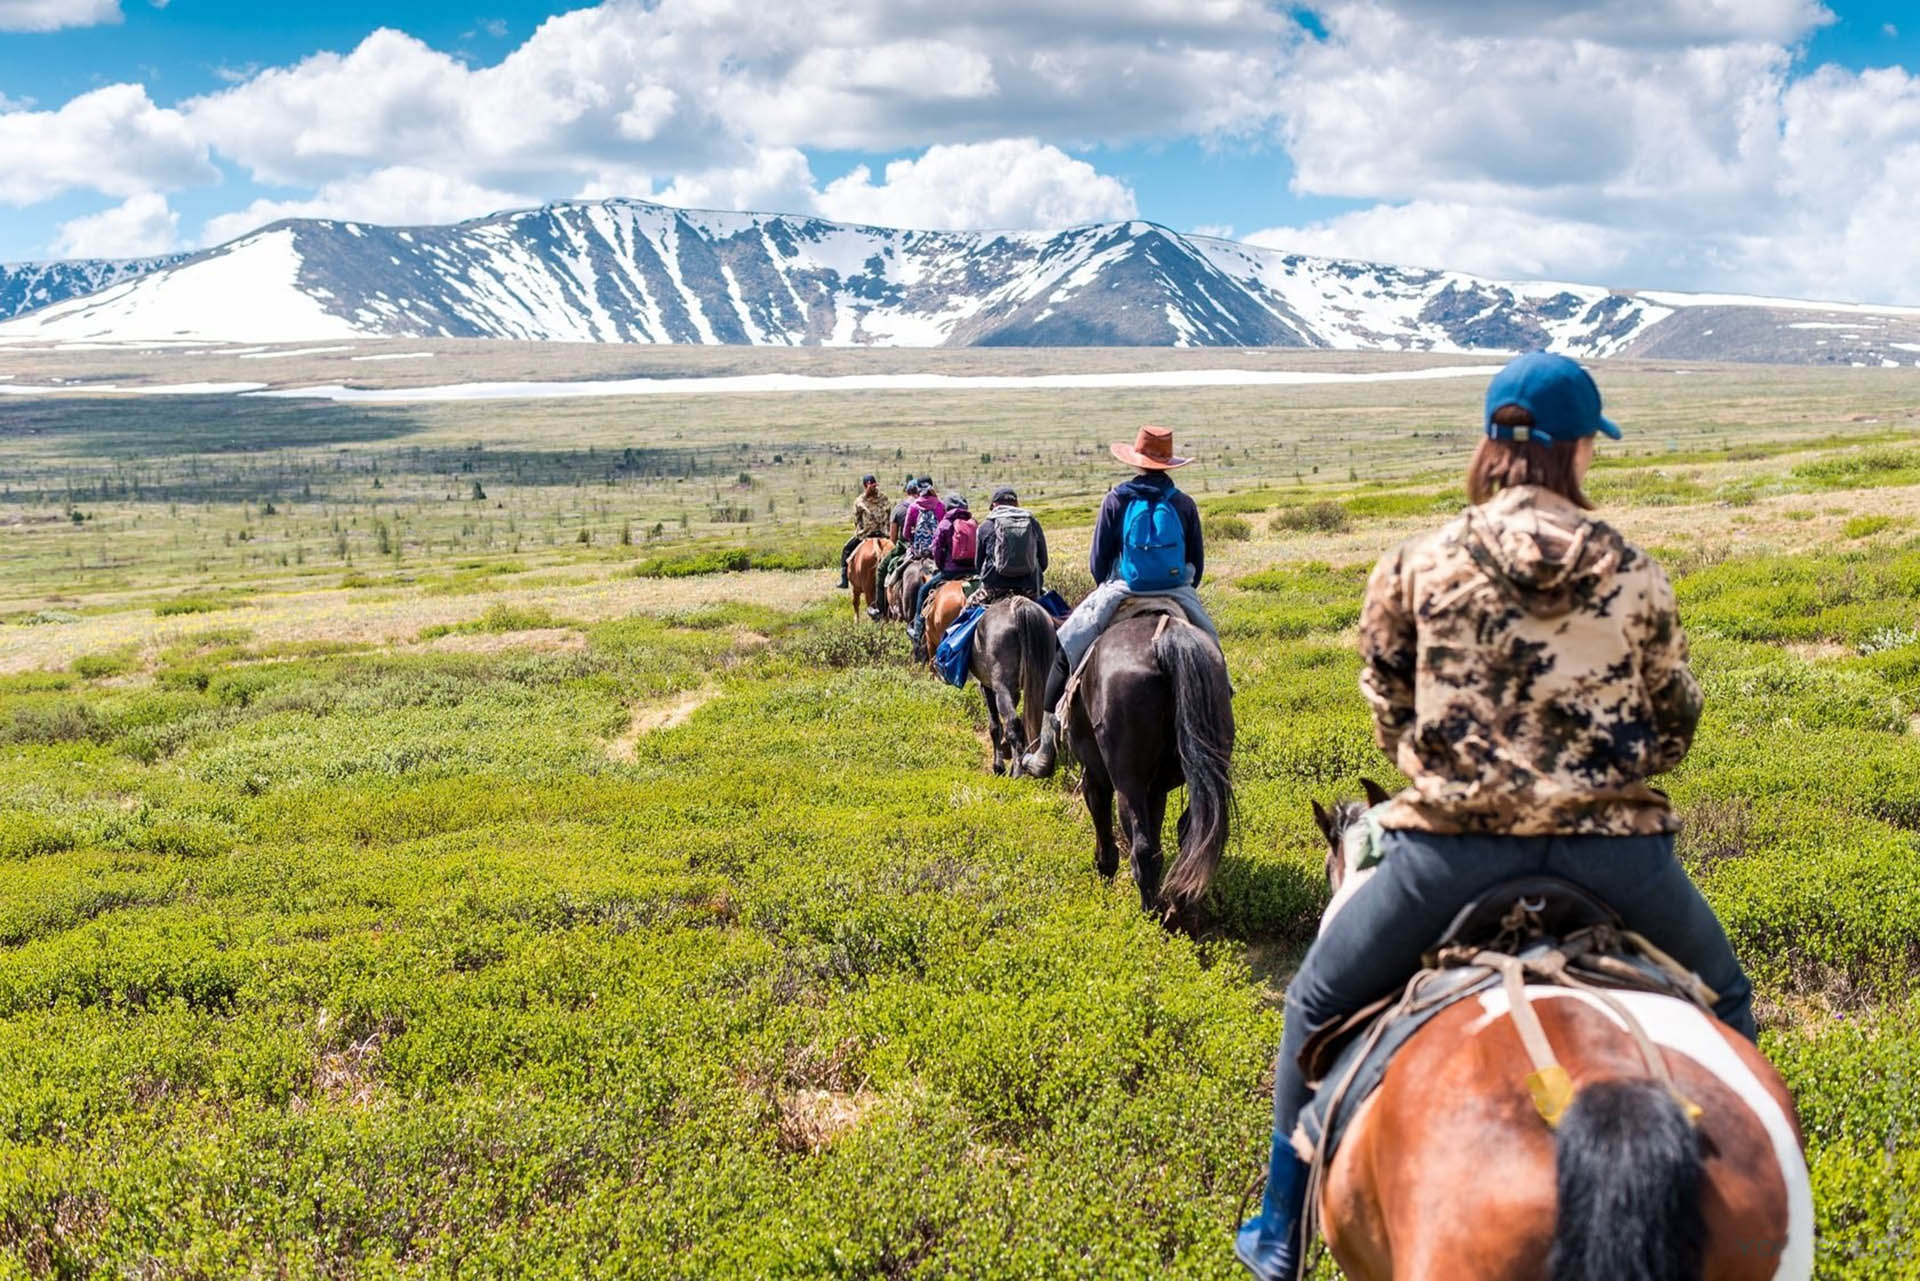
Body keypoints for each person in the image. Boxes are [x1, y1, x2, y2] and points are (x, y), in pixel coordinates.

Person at [1233, 352, 1755, 1281]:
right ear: (1578, 449)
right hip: (1618, 860)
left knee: (1312, 1002)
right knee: (1730, 997)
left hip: (1448, 859)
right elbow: (1672, 718)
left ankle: (1279, 1230)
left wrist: (1436, 768)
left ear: (1492, 444)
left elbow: (1386, 700)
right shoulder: (1635, 571)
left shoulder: (1418, 562)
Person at [1021, 426, 1219, 777]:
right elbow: (1198, 565)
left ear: (1138, 461)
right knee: (1213, 655)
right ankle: (1220, 713)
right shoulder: (1184, 503)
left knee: (1064, 650)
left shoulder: (1117, 499)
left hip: (1123, 590)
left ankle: (1045, 750)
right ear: (1169, 464)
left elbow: (1098, 564)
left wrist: (1113, 585)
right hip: (1177, 591)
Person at [906, 494, 978, 644]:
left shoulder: (945, 524)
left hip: (950, 572)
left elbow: (936, 550)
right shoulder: (973, 523)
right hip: (973, 571)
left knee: (923, 591)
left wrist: (941, 566)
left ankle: (918, 631)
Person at [975, 486, 1048, 601]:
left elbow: (978, 565)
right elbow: (1043, 562)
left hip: (995, 587)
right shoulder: (1032, 522)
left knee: (968, 610)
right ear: (1016, 503)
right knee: (1055, 610)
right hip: (1029, 587)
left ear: (994, 505)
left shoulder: (986, 526)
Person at [870, 477, 922, 619]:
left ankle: (880, 609)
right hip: (928, 548)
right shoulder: (930, 506)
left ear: (907, 492)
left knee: (881, 570)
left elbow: (892, 539)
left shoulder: (899, 509)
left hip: (905, 547)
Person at [837, 473, 891, 589]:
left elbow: (857, 520)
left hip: (865, 535)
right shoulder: (884, 498)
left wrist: (860, 530)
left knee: (846, 550)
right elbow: (889, 515)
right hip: (884, 534)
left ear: (864, 486)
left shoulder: (859, 501)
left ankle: (844, 580)